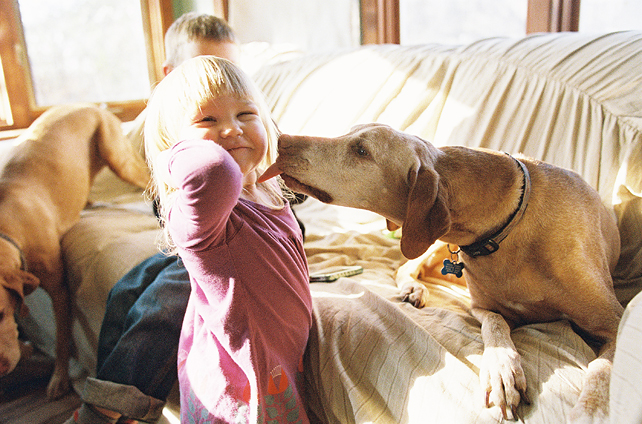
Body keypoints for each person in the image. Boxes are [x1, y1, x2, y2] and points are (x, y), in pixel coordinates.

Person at [65, 13, 241, 424]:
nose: (218, 84)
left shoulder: (242, 126)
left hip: (244, 238)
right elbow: (168, 212)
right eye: (202, 71)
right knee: (128, 288)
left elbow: (278, 193)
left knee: (169, 296)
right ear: (170, 75)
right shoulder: (174, 136)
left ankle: (101, 414)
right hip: (200, 242)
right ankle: (120, 407)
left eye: (229, 71)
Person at [145, 56, 313, 422]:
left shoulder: (268, 192)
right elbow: (214, 171)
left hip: (277, 367)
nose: (232, 130)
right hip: (234, 387)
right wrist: (167, 158)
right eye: (208, 120)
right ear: (175, 146)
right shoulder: (202, 219)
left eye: (246, 114)